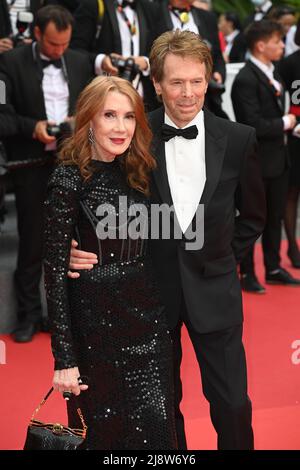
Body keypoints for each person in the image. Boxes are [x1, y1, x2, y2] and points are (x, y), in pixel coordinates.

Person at [69, 29, 266, 450]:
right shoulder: (131, 134)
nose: (188, 92)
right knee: (159, 405)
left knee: (232, 403)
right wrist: (73, 242)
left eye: (196, 80)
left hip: (216, 290)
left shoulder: (237, 139)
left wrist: (221, 257)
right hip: (147, 293)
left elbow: (253, 216)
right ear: (156, 84)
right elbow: (94, 193)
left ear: (210, 79)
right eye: (176, 82)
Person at [44, 75, 177, 450]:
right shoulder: (68, 180)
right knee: (104, 437)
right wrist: (64, 359)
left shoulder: (138, 170)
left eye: (129, 117)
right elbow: (53, 277)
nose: (121, 127)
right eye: (109, 115)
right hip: (95, 331)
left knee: (156, 434)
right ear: (89, 119)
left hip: (148, 325)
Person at [0, 5, 92, 342]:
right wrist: (33, 127)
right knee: (32, 241)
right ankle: (28, 315)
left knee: (77, 242)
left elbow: (93, 109)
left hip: (74, 165)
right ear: (37, 34)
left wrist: (74, 125)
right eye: (53, 45)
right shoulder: (9, 64)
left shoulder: (80, 61)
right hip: (31, 166)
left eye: (64, 45)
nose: (60, 51)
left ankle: (66, 317)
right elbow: (2, 117)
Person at [231, 20, 300, 294]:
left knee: (274, 217)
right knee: (253, 218)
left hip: (279, 158)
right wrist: (287, 122)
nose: (283, 45)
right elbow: (253, 124)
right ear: (261, 45)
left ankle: (273, 267)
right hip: (256, 161)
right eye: (277, 41)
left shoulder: (274, 73)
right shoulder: (246, 79)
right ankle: (247, 271)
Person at [70, 0, 159, 111]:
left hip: (143, 100)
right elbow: (75, 51)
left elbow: (160, 50)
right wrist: (101, 60)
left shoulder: (150, 8)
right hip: (103, 96)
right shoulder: (93, 4)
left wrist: (146, 62)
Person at [278, 20, 300, 267]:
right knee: (292, 191)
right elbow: (279, 98)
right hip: (295, 139)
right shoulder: (289, 64)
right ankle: (293, 247)